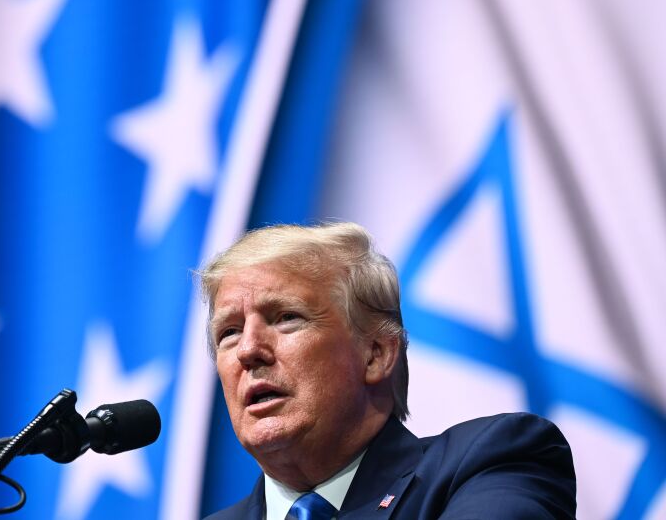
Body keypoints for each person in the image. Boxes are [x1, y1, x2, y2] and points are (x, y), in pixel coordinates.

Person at [200, 222, 575, 519]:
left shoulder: (492, 463)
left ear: (376, 354)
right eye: (229, 332)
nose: (248, 350)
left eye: (286, 318)